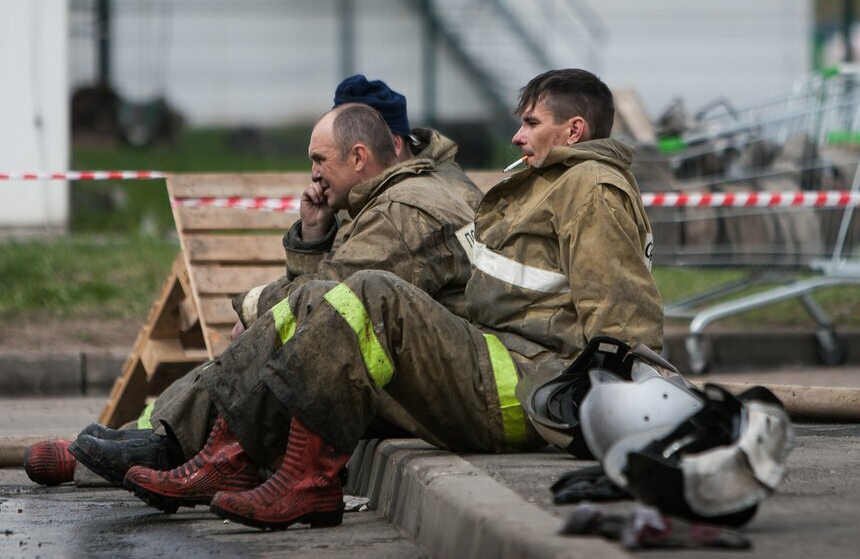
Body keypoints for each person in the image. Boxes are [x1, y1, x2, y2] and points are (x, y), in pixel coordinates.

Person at [119, 68, 664, 529]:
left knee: (369, 294)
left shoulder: (591, 185)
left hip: (531, 388)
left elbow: (623, 316)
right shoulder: (546, 183)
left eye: (530, 123)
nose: (517, 136)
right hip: (500, 360)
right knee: (332, 300)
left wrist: (617, 428)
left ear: (575, 128)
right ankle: (235, 456)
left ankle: (284, 474)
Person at [26, 79, 479, 487]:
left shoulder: (404, 211)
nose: (315, 173)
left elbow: (328, 301)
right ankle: (142, 444)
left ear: (369, 149)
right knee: (270, 346)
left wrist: (254, 311)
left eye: (324, 157)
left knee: (266, 353)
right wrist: (314, 237)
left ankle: (158, 449)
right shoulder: (401, 189)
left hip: (427, 378)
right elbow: (330, 299)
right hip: (419, 361)